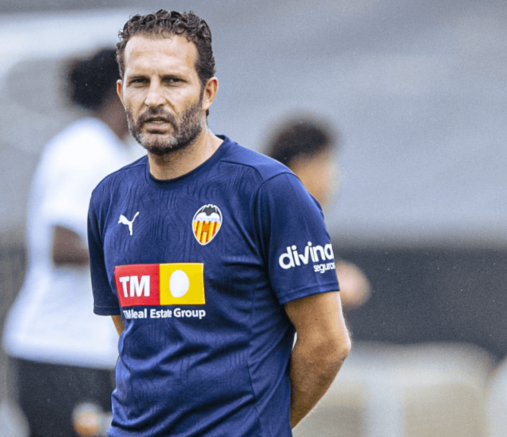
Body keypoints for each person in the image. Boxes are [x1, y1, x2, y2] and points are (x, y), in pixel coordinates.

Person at [87, 10, 351, 436]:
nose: (154, 98)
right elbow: (134, 333)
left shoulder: (269, 190)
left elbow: (326, 344)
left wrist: (259, 425)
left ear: (208, 92)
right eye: (140, 82)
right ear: (121, 92)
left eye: (172, 81)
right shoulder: (108, 198)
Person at [3, 48, 142, 436]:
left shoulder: (121, 151)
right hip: (57, 351)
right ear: (120, 90)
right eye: (143, 83)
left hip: (95, 351)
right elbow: (61, 247)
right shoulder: (83, 149)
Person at [264, 117, 371, 310]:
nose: (333, 174)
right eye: (326, 162)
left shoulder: (295, 220)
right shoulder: (275, 220)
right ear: (303, 167)